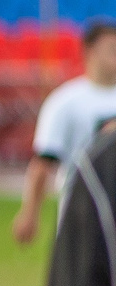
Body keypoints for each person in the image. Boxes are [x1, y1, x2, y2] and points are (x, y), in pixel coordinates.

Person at [15, 18, 116, 245]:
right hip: (82, 212)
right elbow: (43, 163)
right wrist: (30, 213)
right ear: (89, 51)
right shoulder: (65, 102)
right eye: (111, 48)